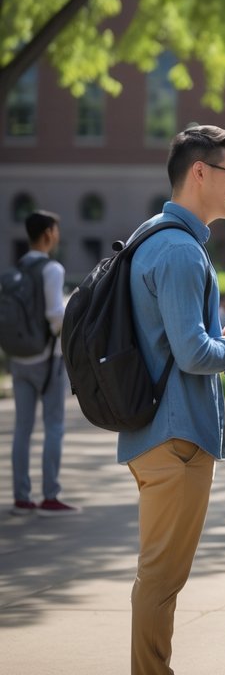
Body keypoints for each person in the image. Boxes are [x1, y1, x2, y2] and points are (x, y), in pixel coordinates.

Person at [120, 125, 225, 675]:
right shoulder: (178, 250)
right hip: (176, 439)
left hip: (160, 433)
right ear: (201, 172)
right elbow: (195, 354)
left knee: (160, 574)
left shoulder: (158, 237)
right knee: (162, 577)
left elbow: (181, 340)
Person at [9, 210, 77, 516]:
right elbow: (54, 316)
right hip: (47, 358)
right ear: (49, 233)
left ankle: (21, 498)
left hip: (18, 356)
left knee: (22, 429)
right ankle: (50, 495)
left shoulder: (18, 268)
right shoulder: (52, 269)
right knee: (54, 426)